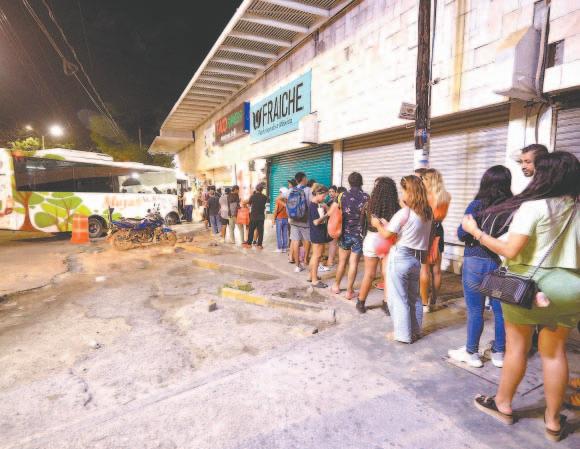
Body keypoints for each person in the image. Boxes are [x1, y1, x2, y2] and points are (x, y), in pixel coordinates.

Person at [461, 151, 579, 442]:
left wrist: (476, 232)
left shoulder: (534, 206)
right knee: (554, 353)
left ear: (544, 175)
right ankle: (553, 421)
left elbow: (511, 250)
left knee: (516, 348)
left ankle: (503, 404)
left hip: (527, 286)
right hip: (569, 287)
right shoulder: (577, 208)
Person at [449, 166, 513, 368]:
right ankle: (499, 353)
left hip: (475, 261)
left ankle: (472, 353)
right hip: (500, 263)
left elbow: (462, 234)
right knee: (500, 311)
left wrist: (472, 231)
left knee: (475, 310)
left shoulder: (477, 205)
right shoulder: (512, 207)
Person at [372, 175, 433, 343]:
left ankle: (403, 335)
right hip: (416, 259)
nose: (402, 194)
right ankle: (416, 331)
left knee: (398, 299)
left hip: (400, 257)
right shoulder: (427, 212)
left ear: (410, 192)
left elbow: (386, 234)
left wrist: (378, 224)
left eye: (403, 191)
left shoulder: (404, 213)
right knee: (414, 298)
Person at [357, 177, 400, 314]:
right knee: (387, 274)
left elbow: (362, 224)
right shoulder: (396, 207)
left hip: (371, 240)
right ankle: (386, 304)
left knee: (369, 274)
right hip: (387, 241)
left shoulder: (369, 205)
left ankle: (361, 302)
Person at [330, 172, 369, 300]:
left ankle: (336, 286)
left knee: (342, 261)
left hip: (344, 233)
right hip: (358, 235)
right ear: (361, 182)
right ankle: (349, 292)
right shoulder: (366, 197)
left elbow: (333, 211)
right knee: (353, 263)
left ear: (349, 182)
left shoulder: (342, 195)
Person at [420, 168, 452, 312]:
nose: (422, 182)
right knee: (436, 270)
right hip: (439, 230)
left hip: (426, 230)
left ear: (429, 180)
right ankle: (433, 301)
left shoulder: (425, 197)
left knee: (424, 269)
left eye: (424, 179)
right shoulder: (446, 196)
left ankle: (424, 303)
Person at [308, 184, 331, 288]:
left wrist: (325, 207)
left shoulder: (318, 204)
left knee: (315, 256)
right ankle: (314, 280)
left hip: (318, 232)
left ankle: (311, 276)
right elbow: (316, 222)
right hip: (317, 233)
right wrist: (327, 215)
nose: (324, 198)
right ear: (317, 193)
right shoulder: (313, 205)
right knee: (317, 256)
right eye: (323, 195)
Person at [288, 172, 312, 272]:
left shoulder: (291, 190)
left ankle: (297, 266)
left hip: (293, 220)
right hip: (305, 220)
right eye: (306, 178)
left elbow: (287, 203)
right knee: (307, 240)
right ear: (303, 178)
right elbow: (311, 204)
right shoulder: (308, 190)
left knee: (295, 241)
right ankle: (305, 259)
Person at [320, 185, 339, 271]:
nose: (331, 193)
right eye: (330, 192)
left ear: (336, 192)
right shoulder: (330, 200)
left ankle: (330, 261)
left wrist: (326, 207)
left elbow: (332, 213)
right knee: (332, 243)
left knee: (333, 243)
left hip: (334, 223)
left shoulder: (336, 201)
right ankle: (331, 260)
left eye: (333, 192)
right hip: (330, 223)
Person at [243, 183, 268, 249]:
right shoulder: (264, 197)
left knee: (251, 230)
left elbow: (248, 203)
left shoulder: (253, 196)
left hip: (253, 216)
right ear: (262, 190)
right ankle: (259, 245)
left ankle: (249, 244)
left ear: (256, 189)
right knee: (260, 231)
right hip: (261, 216)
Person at [273, 187, 289, 253]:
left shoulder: (278, 201)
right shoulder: (287, 200)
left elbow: (276, 210)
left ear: (281, 193)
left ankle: (279, 248)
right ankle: (285, 248)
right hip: (286, 218)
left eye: (280, 192)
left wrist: (273, 219)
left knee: (279, 233)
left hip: (279, 219)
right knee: (285, 233)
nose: (279, 193)